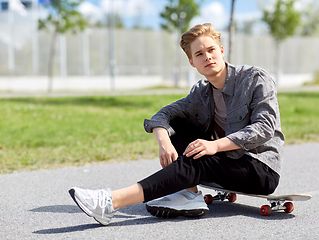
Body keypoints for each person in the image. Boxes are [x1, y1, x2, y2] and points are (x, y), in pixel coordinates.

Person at [69, 23, 285, 226]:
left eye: (211, 50)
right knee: (177, 124)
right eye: (199, 54)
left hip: (259, 168)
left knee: (199, 158)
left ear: (221, 50)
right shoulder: (201, 91)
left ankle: (109, 202)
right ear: (192, 61)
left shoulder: (255, 78)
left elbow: (264, 127)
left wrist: (215, 146)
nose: (207, 57)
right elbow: (163, 114)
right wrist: (164, 142)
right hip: (226, 162)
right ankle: (189, 194)